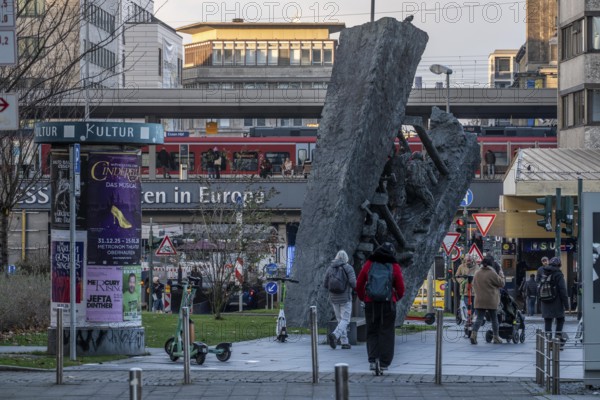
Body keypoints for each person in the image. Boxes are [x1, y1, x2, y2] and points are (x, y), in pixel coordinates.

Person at [356, 242, 405, 371]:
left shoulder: (369, 264)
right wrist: (395, 298)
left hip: (370, 303)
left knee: (372, 331)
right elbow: (401, 287)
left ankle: (372, 360)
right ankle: (384, 362)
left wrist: (363, 298)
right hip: (388, 304)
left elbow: (359, 283)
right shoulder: (394, 266)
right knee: (387, 331)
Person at [323, 250, 357, 350]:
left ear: (336, 257)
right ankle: (335, 335)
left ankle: (344, 342)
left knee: (340, 320)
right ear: (346, 258)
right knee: (345, 319)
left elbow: (325, 284)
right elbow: (353, 283)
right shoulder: (348, 267)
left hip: (333, 298)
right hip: (345, 297)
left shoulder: (330, 268)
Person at [470, 255, 505, 345]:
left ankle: (473, 335)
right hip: (491, 300)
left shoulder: (477, 273)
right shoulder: (492, 273)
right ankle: (496, 337)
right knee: (494, 319)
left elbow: (473, 284)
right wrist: (501, 273)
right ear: (491, 264)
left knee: (479, 318)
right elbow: (502, 283)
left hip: (479, 299)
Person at [540, 257, 569, 344]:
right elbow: (563, 290)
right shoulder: (558, 274)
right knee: (560, 319)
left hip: (545, 301)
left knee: (548, 321)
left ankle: (549, 342)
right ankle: (557, 341)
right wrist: (566, 305)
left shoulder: (544, 273)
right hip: (557, 302)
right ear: (559, 265)